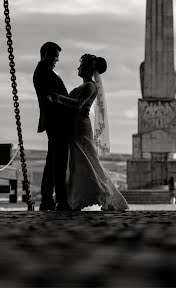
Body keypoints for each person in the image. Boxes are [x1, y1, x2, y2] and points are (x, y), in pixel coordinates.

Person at [48, 54, 128, 211]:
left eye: (81, 65)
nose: (78, 68)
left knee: (87, 160)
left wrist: (58, 98)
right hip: (74, 126)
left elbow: (78, 104)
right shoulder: (84, 86)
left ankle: (103, 194)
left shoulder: (90, 86)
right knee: (80, 161)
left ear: (88, 68)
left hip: (81, 127)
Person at [33, 41, 71, 211]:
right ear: (45, 54)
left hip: (56, 121)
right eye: (54, 56)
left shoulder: (45, 71)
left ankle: (48, 199)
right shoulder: (43, 72)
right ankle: (60, 200)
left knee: (52, 163)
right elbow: (50, 98)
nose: (56, 59)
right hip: (56, 122)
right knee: (59, 163)